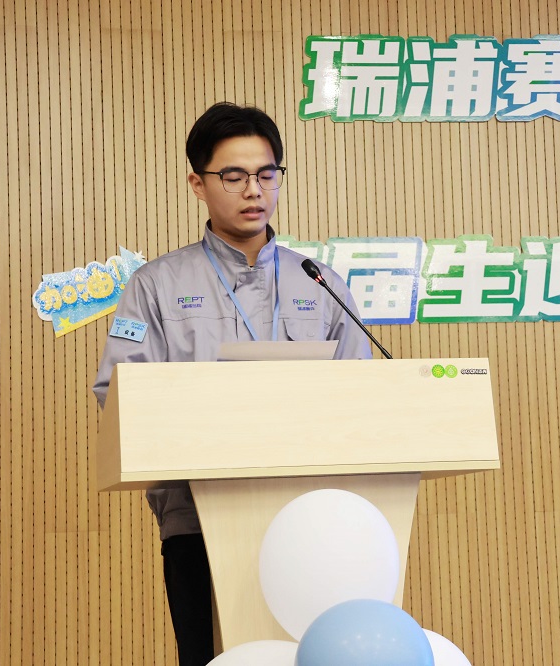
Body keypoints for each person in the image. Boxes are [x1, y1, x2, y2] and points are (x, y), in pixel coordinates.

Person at [92, 102, 372, 666]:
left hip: (313, 518)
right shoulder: (154, 285)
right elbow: (118, 392)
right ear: (198, 184)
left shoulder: (319, 281)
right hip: (199, 519)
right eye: (234, 176)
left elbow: (362, 392)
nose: (254, 190)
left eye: (267, 174)